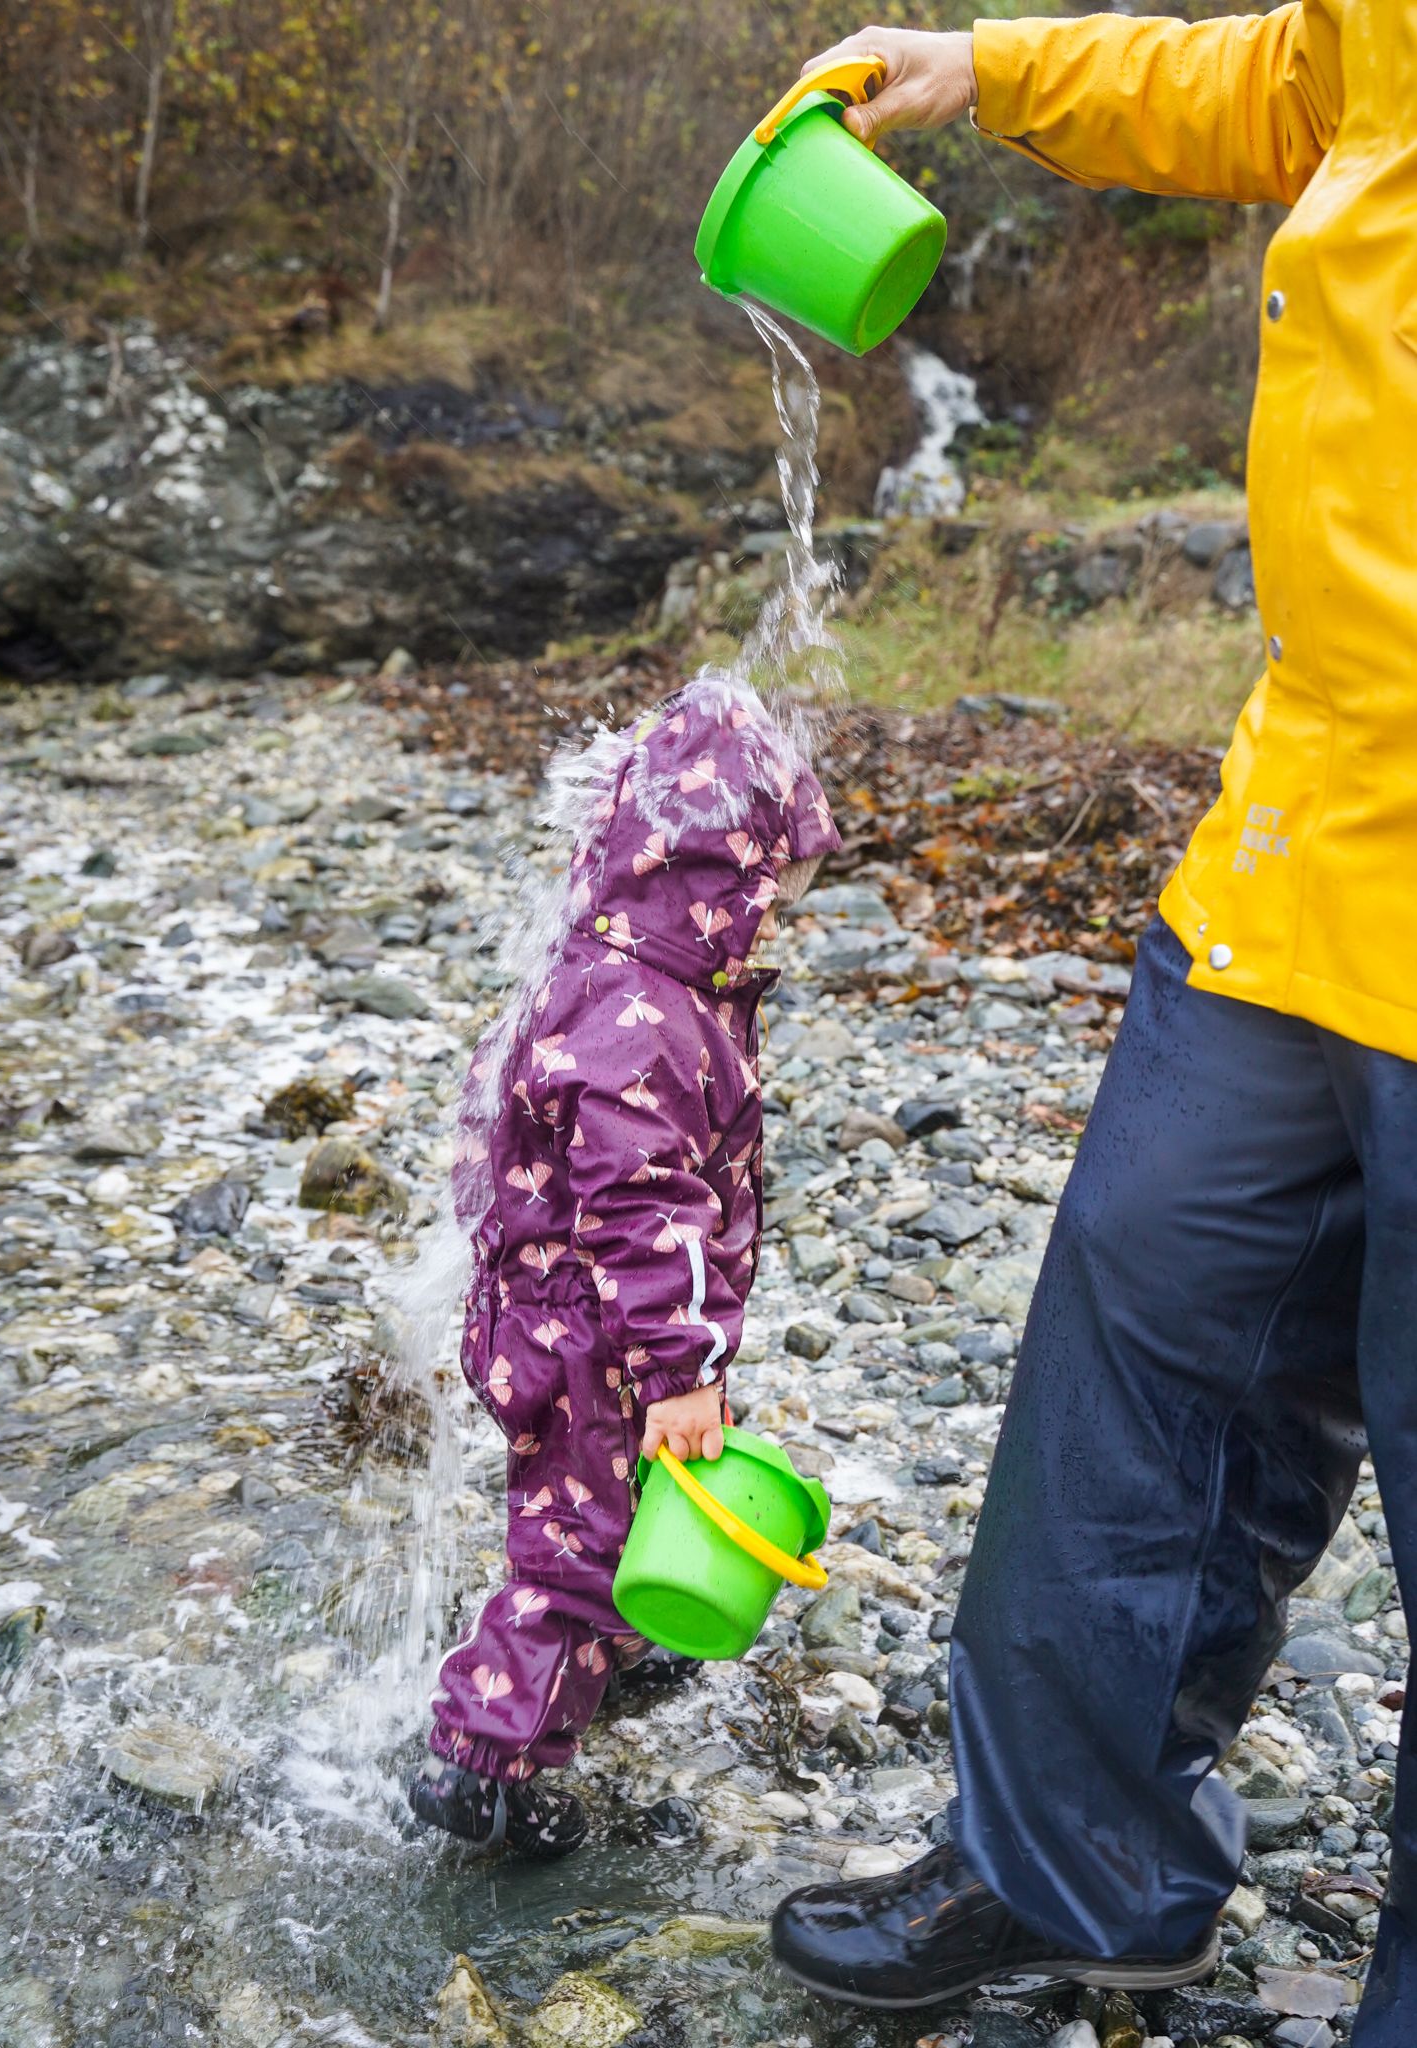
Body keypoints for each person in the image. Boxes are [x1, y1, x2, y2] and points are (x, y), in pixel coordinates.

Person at [767, 12, 1417, 2040]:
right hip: (1307, 836)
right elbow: (1300, 79)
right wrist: (992, 72)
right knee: (1146, 1316)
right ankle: (1080, 1867)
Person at [409, 675, 839, 1856]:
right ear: (705, 879)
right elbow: (643, 1207)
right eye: (768, 905)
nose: (775, 930)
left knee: (587, 1511)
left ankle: (594, 1654)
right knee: (576, 1556)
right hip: (590, 1327)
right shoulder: (642, 1015)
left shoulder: (621, 969)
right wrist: (684, 1367)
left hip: (564, 1313)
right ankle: (484, 1765)